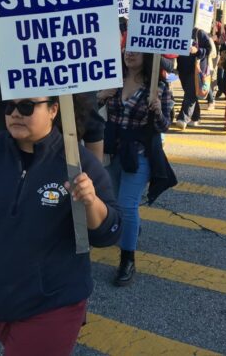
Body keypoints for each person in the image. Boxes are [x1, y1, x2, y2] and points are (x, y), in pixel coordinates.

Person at [0, 96, 121, 356]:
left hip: (51, 304)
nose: (15, 113)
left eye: (27, 106)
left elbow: (110, 232)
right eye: (10, 106)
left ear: (53, 109)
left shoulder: (76, 162)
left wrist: (91, 201)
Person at [98, 51, 174, 286]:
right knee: (116, 202)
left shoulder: (158, 87)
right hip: (111, 152)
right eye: (126, 50)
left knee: (127, 205)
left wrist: (158, 110)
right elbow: (89, 113)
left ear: (148, 54)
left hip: (139, 154)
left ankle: (127, 260)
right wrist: (100, 97)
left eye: (136, 50)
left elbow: (165, 125)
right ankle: (132, 230)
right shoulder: (112, 80)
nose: (129, 54)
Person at [0, 51, 106, 162]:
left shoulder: (69, 58)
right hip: (7, 163)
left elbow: (93, 128)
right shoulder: (0, 58)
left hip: (58, 168)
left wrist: (94, 182)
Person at [174, 27, 212, 129]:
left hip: (197, 68)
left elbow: (209, 49)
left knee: (190, 93)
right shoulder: (178, 30)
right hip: (183, 68)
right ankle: (195, 117)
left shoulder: (199, 32)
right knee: (190, 92)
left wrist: (197, 50)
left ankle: (183, 118)